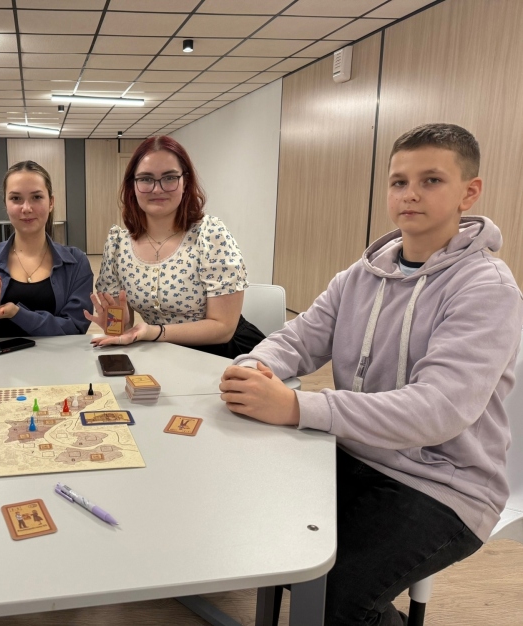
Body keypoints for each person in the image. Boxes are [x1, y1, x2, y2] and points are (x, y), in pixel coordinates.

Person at [219, 123, 523, 625]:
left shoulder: (486, 288)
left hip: (443, 485)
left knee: (337, 597)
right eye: (399, 182)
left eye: (431, 180)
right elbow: (298, 339)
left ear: (469, 192)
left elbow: (437, 410)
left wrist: (296, 407)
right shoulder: (359, 276)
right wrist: (252, 367)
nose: (410, 194)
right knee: (266, 538)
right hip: (352, 453)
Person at [87, 135, 264, 358]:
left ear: (185, 182)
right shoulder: (118, 245)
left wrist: (154, 332)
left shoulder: (210, 236)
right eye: (146, 179)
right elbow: (122, 327)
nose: (157, 189)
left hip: (225, 354)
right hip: (162, 352)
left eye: (169, 178)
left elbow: (223, 328)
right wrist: (116, 324)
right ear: (133, 185)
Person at [0, 160, 93, 339]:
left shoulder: (76, 263)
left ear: (51, 202)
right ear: (6, 204)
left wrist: (17, 314)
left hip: (55, 358)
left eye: (37, 197)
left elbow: (76, 328)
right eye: (16, 198)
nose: (26, 208)